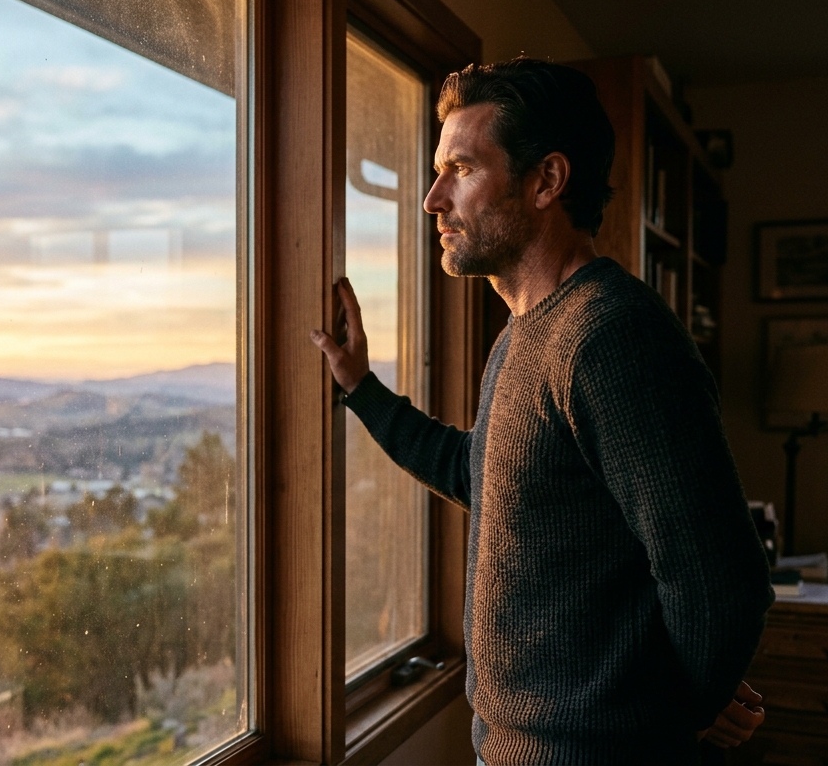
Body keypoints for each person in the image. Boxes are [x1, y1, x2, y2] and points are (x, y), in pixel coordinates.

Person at [309, 59, 774, 765]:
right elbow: (479, 473)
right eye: (437, 173)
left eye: (461, 169)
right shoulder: (526, 334)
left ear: (546, 181)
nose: (433, 199)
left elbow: (721, 584)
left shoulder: (612, 336)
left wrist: (678, 716)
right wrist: (360, 388)